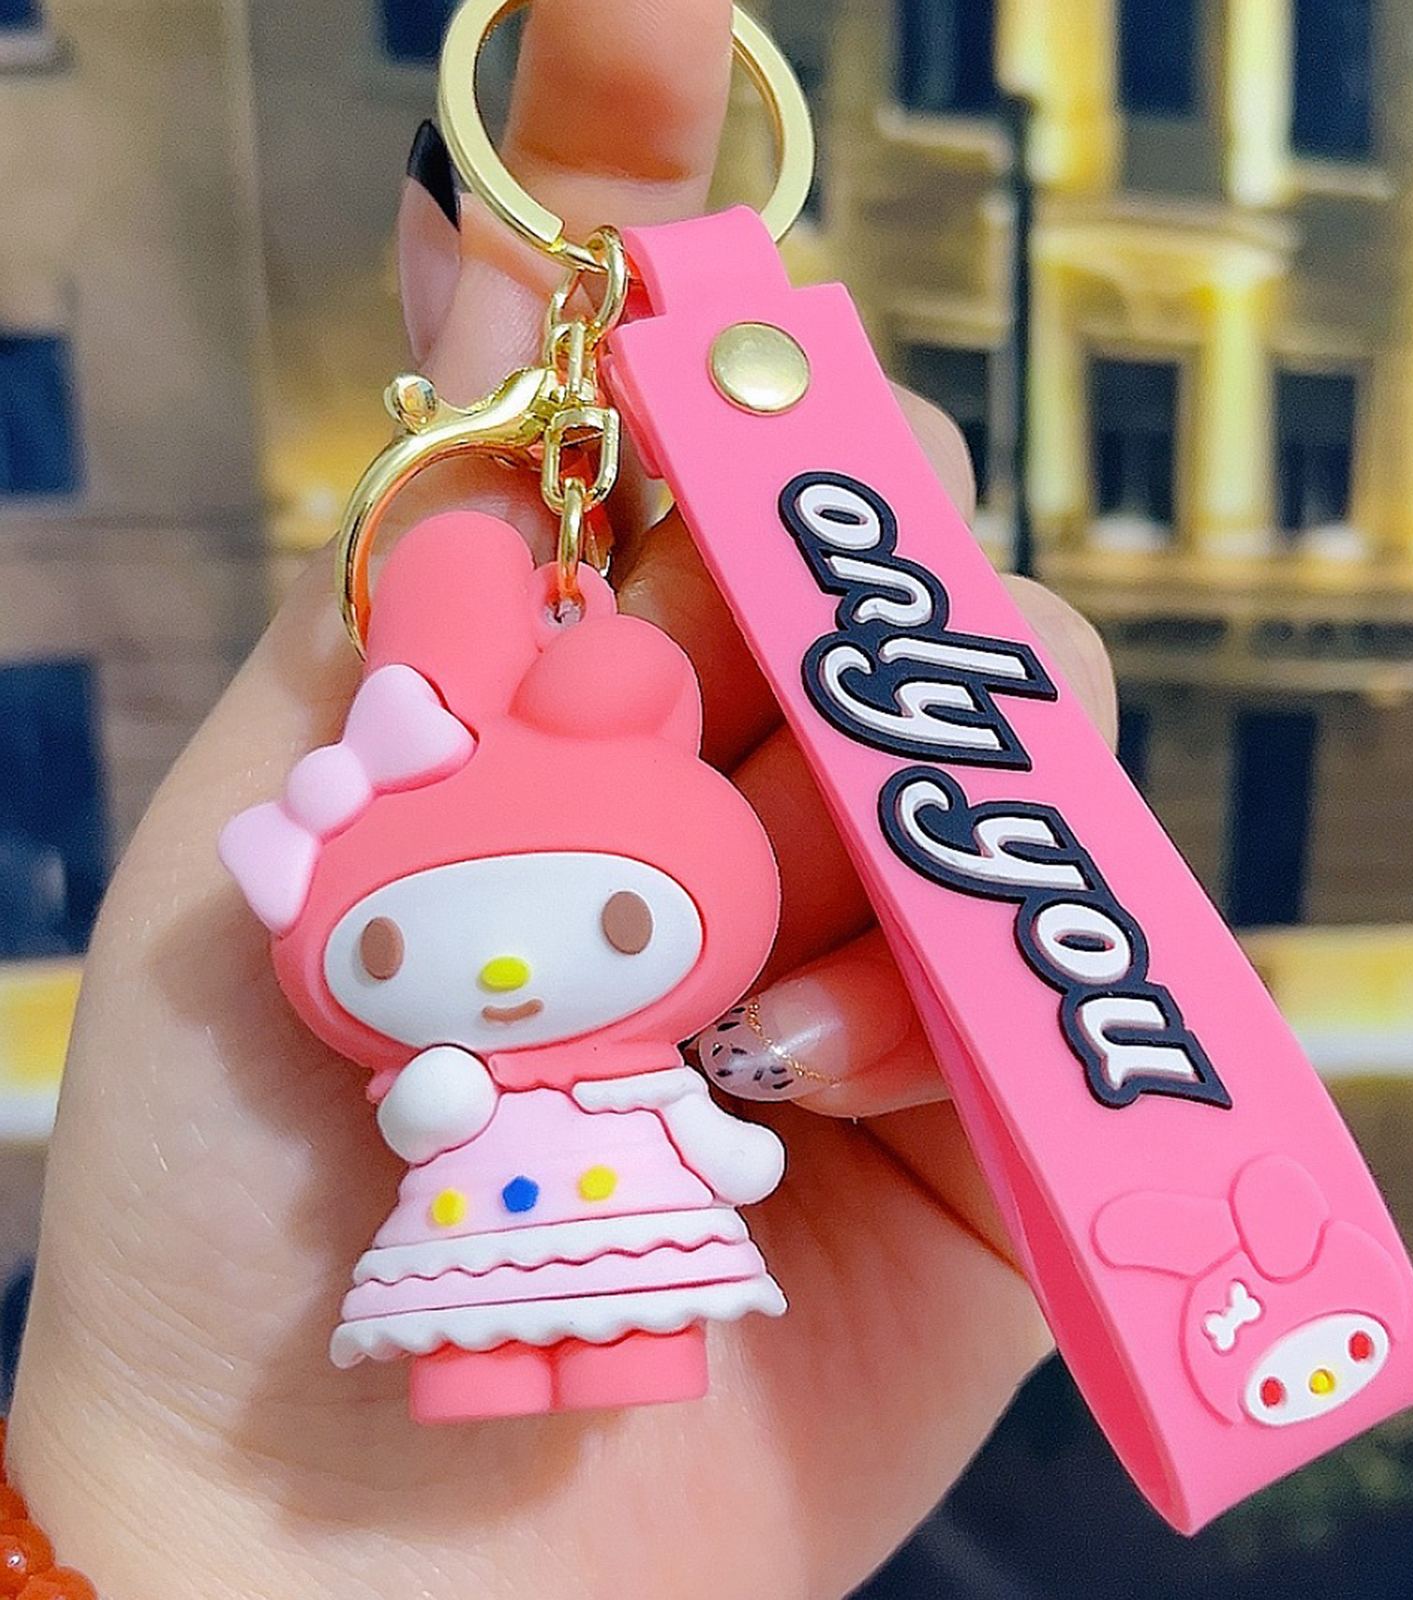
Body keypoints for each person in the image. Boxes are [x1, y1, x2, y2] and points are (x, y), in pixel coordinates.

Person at [6, 2, 1117, 1596]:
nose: (524, 977)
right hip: (474, 1236)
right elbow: (455, 1104)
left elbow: (669, 1114)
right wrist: (193, 1516)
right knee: (489, 1338)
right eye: (391, 953)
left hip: (581, 1212)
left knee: (643, 1312)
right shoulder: (445, 964)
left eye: (617, 928)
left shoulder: (587, 910)